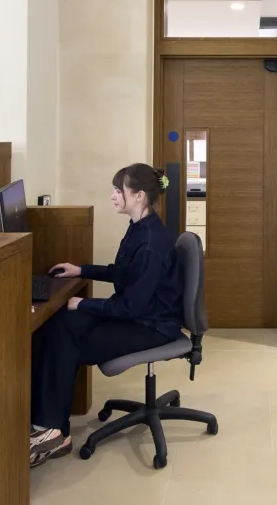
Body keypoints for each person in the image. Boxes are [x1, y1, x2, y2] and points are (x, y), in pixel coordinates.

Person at [29, 162, 185, 467]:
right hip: (138, 313)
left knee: (68, 339)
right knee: (59, 324)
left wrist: (83, 304)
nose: (113, 196)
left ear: (139, 196)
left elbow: (131, 308)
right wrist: (81, 270)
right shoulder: (140, 228)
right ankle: (47, 424)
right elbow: (123, 274)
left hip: (151, 325)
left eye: (119, 190)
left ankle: (53, 433)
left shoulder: (151, 243)